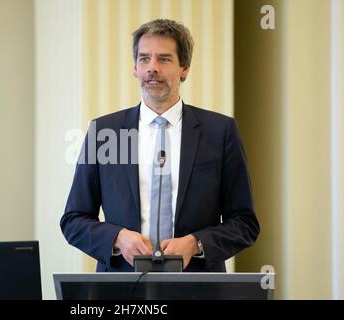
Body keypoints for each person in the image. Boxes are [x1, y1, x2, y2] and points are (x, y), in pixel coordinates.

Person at [61, 19, 259, 272]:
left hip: (199, 287)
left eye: (164, 59)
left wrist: (196, 243)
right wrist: (117, 238)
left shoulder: (220, 132)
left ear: (184, 68)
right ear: (135, 68)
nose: (152, 68)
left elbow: (244, 223)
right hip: (122, 288)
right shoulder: (104, 132)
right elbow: (73, 220)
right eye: (144, 59)